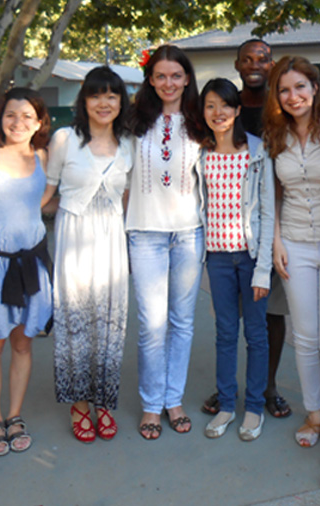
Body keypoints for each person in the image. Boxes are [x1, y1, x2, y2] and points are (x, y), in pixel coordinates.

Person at [263, 56, 320, 450]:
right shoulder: (275, 135)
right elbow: (274, 194)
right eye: (284, 90)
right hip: (294, 243)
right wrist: (276, 241)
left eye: (300, 86)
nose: (293, 96)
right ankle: (314, 414)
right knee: (304, 335)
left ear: (315, 88)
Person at [201, 38, 293, 419]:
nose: (255, 65)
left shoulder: (280, 107)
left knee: (270, 314)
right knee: (228, 321)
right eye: (248, 59)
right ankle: (227, 390)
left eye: (262, 59)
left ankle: (267, 387)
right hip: (231, 236)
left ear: (271, 64)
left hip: (277, 219)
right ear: (237, 64)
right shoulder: (226, 104)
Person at [41, 67, 133, 443]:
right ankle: (79, 404)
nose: (104, 103)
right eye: (96, 95)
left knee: (110, 321)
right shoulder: (65, 139)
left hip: (112, 243)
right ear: (84, 100)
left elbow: (129, 199)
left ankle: (104, 401)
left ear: (121, 101)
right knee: (75, 319)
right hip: (74, 241)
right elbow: (46, 194)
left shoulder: (129, 144)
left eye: (112, 95)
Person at [126, 45, 206, 440]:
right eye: (161, 76)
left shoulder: (201, 121)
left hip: (189, 233)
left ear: (187, 78)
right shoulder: (132, 122)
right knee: (151, 325)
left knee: (182, 322)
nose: (169, 83)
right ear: (150, 79)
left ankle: (173, 399)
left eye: (176, 75)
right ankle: (150, 403)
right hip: (144, 234)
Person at [0, 87, 53, 457]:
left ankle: (14, 415)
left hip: (31, 266)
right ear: (0, 118)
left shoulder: (43, 157)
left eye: (27, 116)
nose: (18, 122)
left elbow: (41, 199)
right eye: (10, 115)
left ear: (38, 123)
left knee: (23, 343)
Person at [199, 78, 274, 441]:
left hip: (250, 257)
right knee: (225, 333)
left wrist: (263, 269)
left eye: (225, 105)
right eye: (210, 106)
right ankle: (227, 404)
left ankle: (255, 407)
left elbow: (268, 212)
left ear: (238, 109)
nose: (218, 113)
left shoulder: (257, 152)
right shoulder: (201, 154)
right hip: (217, 259)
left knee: (256, 334)